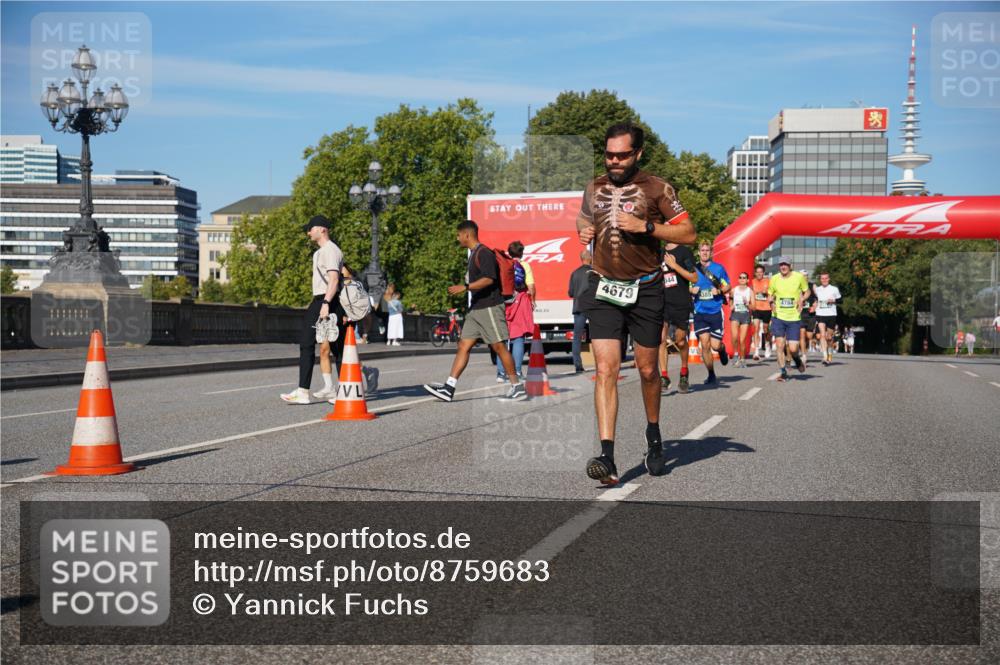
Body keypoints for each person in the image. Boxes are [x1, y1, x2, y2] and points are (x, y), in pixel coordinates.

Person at [576, 122, 696, 485]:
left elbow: (688, 232)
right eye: (609, 154)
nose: (614, 161)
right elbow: (584, 216)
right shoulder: (593, 187)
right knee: (606, 368)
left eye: (622, 155)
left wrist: (646, 228)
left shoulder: (658, 188)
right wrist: (583, 230)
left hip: (645, 289)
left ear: (638, 153)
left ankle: (654, 434)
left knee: (647, 370)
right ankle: (607, 456)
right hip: (603, 288)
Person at [423, 220, 527, 402]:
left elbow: (490, 279)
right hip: (476, 309)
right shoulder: (473, 254)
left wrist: (466, 287)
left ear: (467, 235)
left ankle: (516, 386)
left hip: (489, 307)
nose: (457, 238)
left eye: (458, 235)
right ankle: (449, 387)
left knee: (499, 346)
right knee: (463, 345)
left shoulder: (483, 253)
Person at [281, 215, 345, 404]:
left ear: (322, 229)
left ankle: (338, 391)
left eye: (311, 228)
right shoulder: (319, 252)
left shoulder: (330, 250)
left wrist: (325, 304)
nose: (308, 232)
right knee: (318, 344)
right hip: (322, 300)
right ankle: (311, 391)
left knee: (328, 346)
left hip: (326, 301)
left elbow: (334, 279)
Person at [690, 242, 731, 385]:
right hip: (700, 312)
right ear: (698, 252)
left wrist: (719, 291)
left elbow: (728, 285)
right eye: (702, 250)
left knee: (714, 346)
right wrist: (691, 290)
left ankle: (722, 349)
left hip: (714, 312)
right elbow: (687, 286)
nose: (705, 253)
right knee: (705, 344)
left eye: (707, 250)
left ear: (711, 253)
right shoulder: (693, 269)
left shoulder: (718, 269)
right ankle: (711, 374)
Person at [659, 241, 697, 393]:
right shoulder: (658, 252)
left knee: (680, 341)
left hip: (681, 302)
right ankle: (664, 376)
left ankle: (684, 371)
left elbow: (694, 278)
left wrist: (675, 266)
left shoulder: (684, 252)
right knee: (660, 338)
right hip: (662, 302)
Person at [496, 241, 536, 381]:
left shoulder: (503, 265)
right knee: (518, 337)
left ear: (509, 252)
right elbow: (531, 287)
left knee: (502, 337)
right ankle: (517, 372)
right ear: (522, 252)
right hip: (520, 300)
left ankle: (501, 373)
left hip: (503, 302)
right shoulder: (525, 266)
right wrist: (533, 301)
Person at [767, 256, 808, 382]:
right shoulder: (774, 278)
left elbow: (807, 291)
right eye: (781, 265)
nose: (783, 267)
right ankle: (783, 372)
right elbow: (770, 294)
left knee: (793, 349)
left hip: (794, 317)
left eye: (785, 264)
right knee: (779, 345)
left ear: (790, 266)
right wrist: (771, 302)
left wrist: (802, 299)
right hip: (778, 316)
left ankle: (797, 359)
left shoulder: (799, 277)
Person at [568, 250, 593, 373]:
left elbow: (571, 293)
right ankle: (601, 363)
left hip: (578, 307)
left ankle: (578, 365)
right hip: (593, 308)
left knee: (577, 337)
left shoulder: (575, 273)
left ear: (581, 259)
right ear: (591, 258)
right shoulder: (594, 273)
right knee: (597, 336)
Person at [813, 272, 842, 365]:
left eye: (826, 278)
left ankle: (830, 353)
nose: (824, 280)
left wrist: (834, 300)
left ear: (829, 279)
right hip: (820, 314)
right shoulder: (817, 290)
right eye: (822, 278)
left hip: (831, 314)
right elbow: (815, 299)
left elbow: (841, 300)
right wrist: (814, 305)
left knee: (829, 337)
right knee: (822, 335)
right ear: (820, 280)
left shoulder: (834, 289)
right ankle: (825, 356)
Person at [729, 272, 754, 368]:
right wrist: (731, 305)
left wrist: (747, 304)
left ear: (747, 280)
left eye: (744, 278)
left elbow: (754, 307)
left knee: (742, 340)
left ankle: (742, 359)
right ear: (738, 279)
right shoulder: (734, 290)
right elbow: (730, 299)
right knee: (734, 337)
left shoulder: (750, 291)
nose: (742, 279)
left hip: (745, 315)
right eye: (740, 277)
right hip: (735, 314)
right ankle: (736, 354)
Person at [751, 264, 772, 361]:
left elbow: (773, 293)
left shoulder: (768, 281)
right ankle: (756, 351)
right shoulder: (752, 282)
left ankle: (767, 345)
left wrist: (767, 292)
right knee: (756, 328)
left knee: (765, 329)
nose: (759, 274)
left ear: (763, 273)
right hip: (756, 308)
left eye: (761, 272)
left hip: (767, 309)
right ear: (755, 273)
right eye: (757, 272)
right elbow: (750, 293)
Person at [799, 280, 818, 368]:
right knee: (801, 334)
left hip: (810, 315)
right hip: (801, 315)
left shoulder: (812, 286)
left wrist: (815, 306)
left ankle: (804, 350)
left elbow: (818, 299)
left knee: (808, 336)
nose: (804, 278)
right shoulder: (796, 287)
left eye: (805, 276)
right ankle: (803, 355)